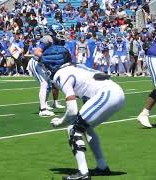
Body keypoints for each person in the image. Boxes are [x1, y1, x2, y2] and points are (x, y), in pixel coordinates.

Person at [39, 45, 125, 180]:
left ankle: (83, 173)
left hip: (106, 94)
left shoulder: (61, 73)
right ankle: (102, 167)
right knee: (86, 127)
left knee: (73, 128)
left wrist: (60, 122)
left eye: (47, 64)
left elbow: (72, 110)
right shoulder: (75, 67)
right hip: (114, 92)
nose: (46, 68)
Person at [27, 23, 66, 117]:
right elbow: (36, 52)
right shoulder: (47, 39)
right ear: (53, 32)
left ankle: (43, 105)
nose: (62, 34)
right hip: (37, 62)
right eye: (59, 32)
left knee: (48, 85)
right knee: (44, 84)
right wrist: (48, 59)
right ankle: (43, 109)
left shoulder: (59, 41)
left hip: (44, 63)